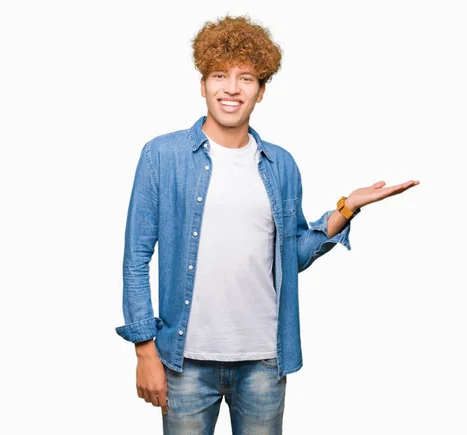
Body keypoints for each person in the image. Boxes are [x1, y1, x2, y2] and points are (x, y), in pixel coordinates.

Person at [115, 14, 419, 434]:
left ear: (261, 91)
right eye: (220, 75)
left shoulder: (281, 165)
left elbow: (288, 257)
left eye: (247, 78)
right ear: (203, 84)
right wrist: (144, 350)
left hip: (263, 362)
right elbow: (135, 259)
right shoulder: (161, 157)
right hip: (183, 361)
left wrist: (346, 209)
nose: (232, 88)